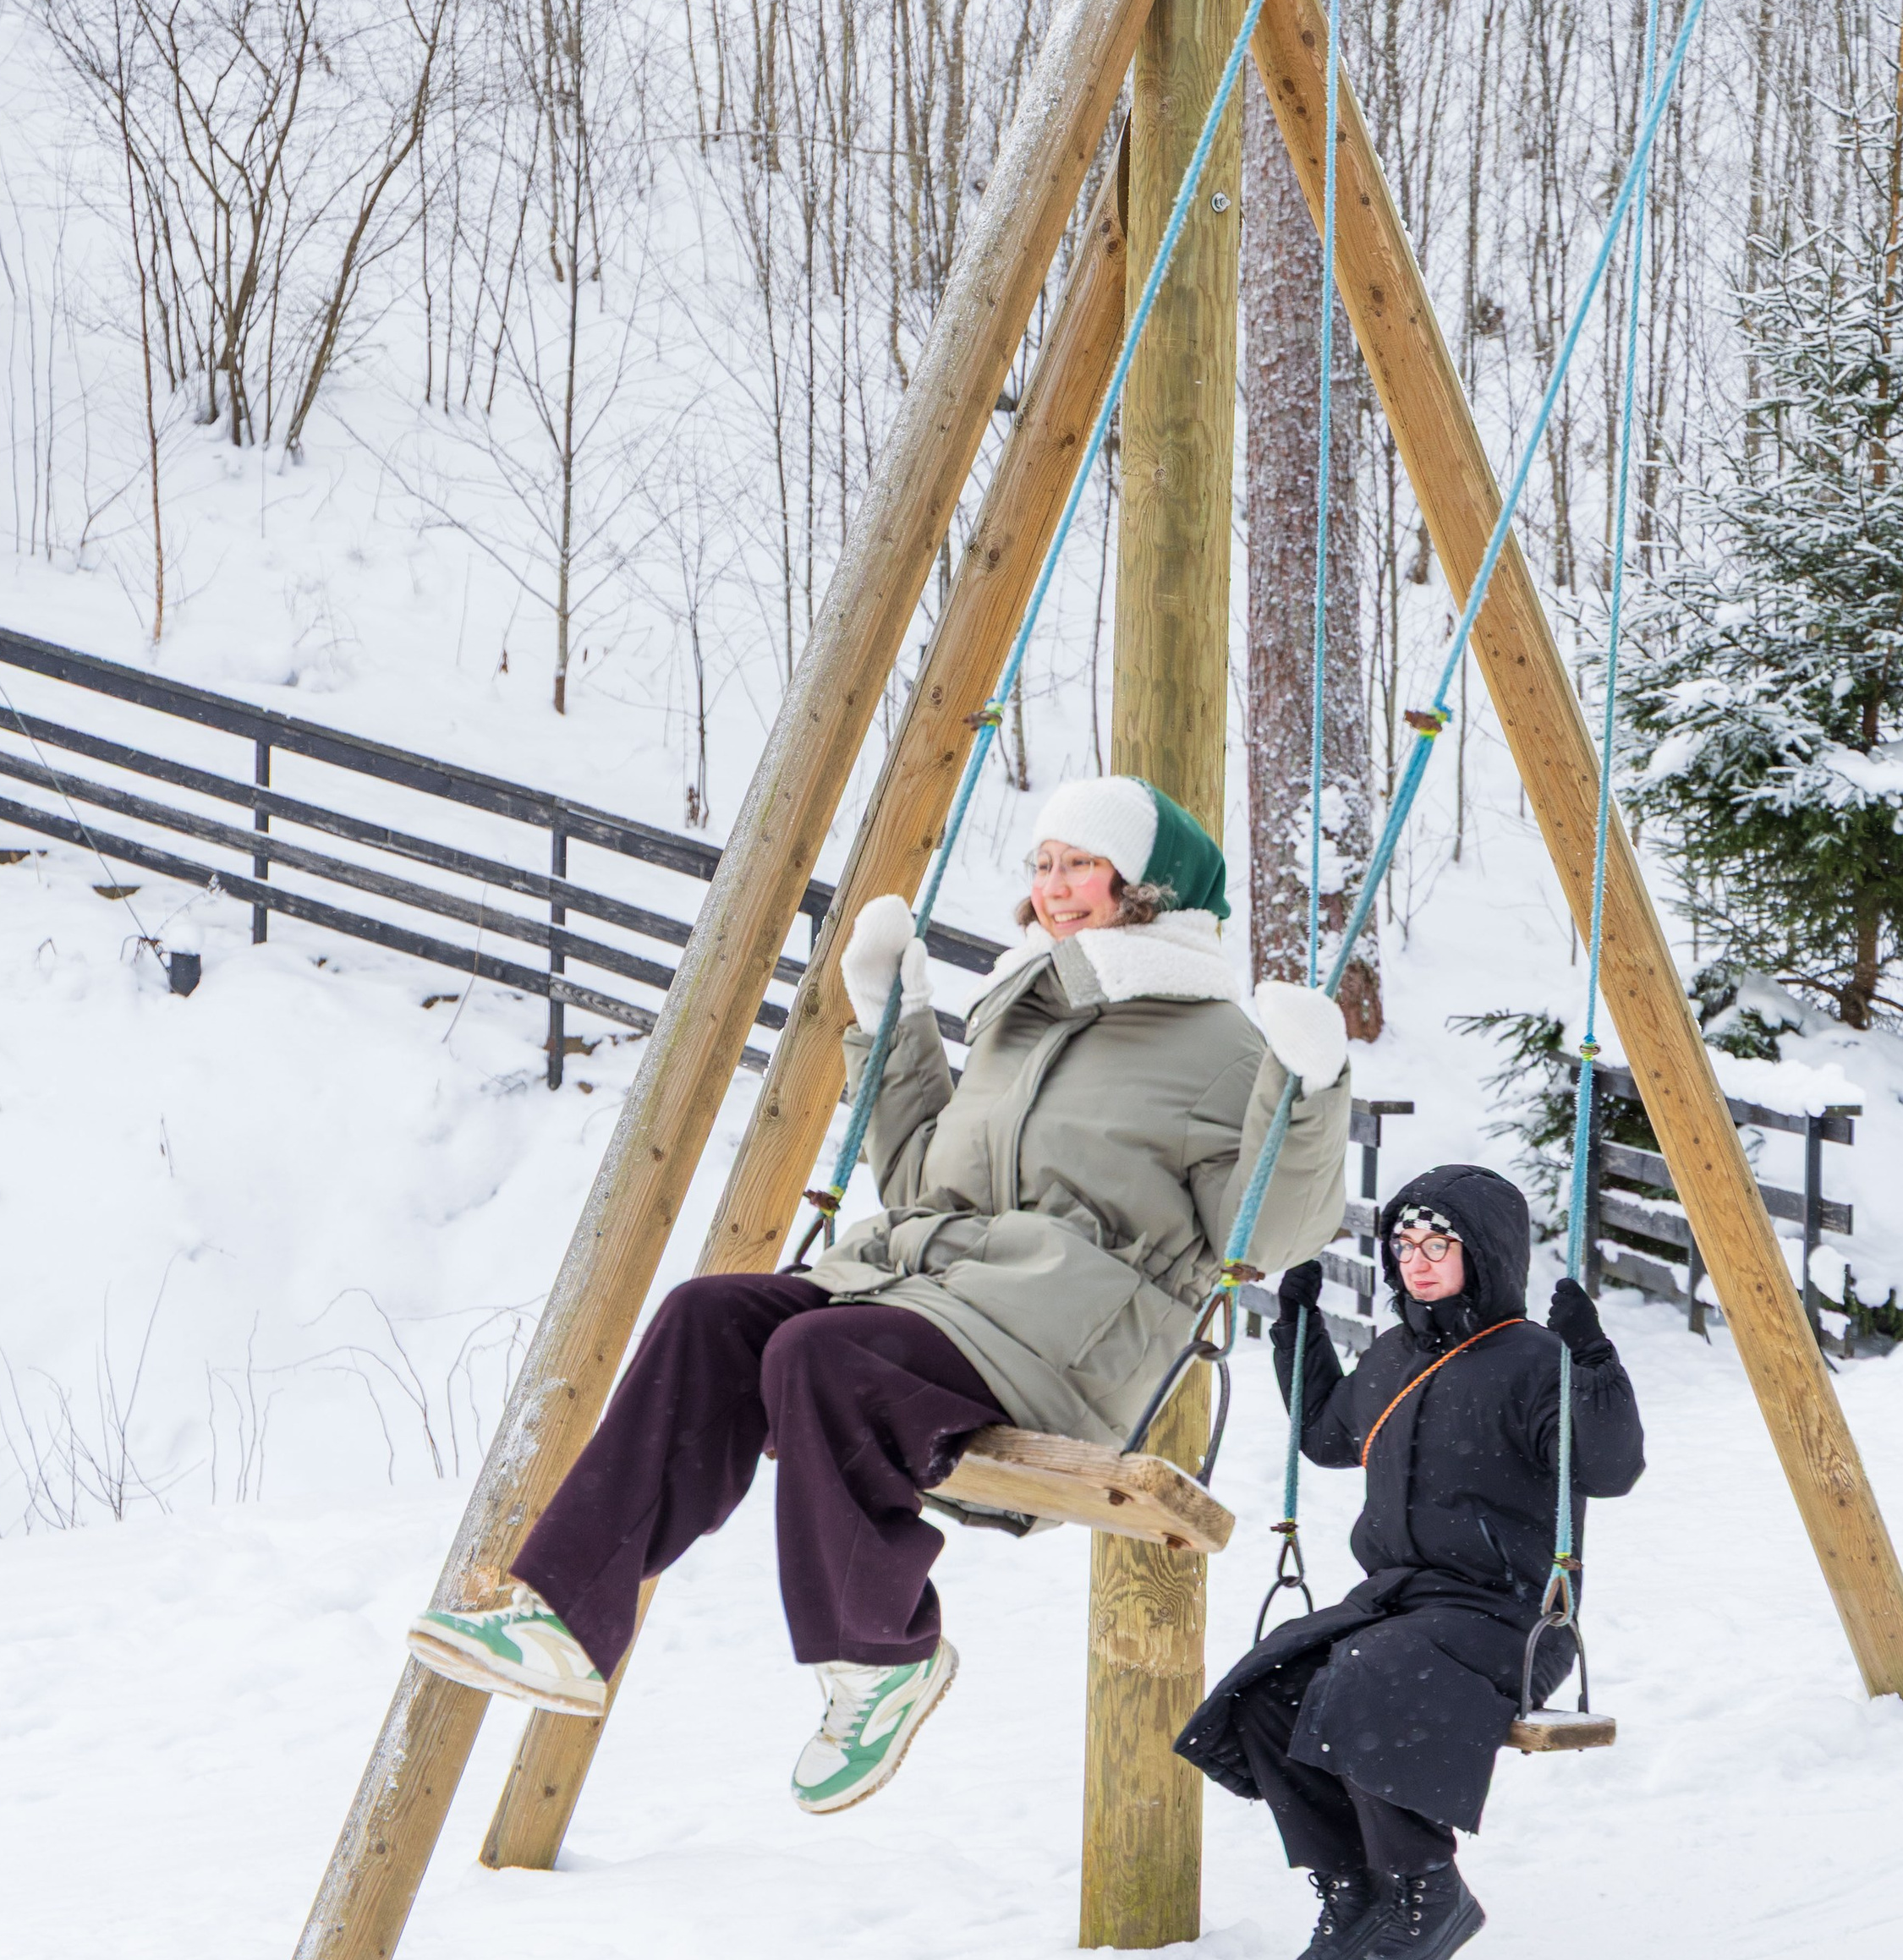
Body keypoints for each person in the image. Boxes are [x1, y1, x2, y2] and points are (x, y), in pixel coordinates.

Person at [410, 775, 1357, 1815]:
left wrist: (1309, 1092)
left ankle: (882, 1653)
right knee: (708, 1316)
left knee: (816, 1356)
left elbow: (1264, 1233)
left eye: (1082, 864)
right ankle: (568, 1614)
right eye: (1042, 864)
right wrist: (888, 1019)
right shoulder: (1024, 1006)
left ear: (1148, 888)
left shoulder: (1219, 1043)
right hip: (928, 1294)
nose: (1055, 887)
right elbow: (920, 1183)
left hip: (1061, 1340)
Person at [1176, 1163, 1644, 1959]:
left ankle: (1426, 1891)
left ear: (1487, 1254)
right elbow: (1329, 1437)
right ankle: (1357, 1893)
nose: (1416, 1260)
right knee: (1270, 1691)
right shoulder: (1397, 1353)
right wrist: (1298, 1330)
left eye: (1439, 1243)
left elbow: (1609, 1470)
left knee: (1368, 1674)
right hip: (1398, 1603)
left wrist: (1592, 1361)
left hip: (1507, 1614)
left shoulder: (1536, 1361)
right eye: (1404, 1244)